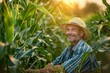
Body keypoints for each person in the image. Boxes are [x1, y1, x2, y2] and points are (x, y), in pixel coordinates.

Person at [25, 17, 98, 73]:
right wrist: (42, 70)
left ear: (81, 33)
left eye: (73, 29)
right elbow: (55, 63)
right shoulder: (69, 48)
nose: (69, 32)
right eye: (68, 29)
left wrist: (37, 71)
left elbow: (63, 69)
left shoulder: (83, 49)